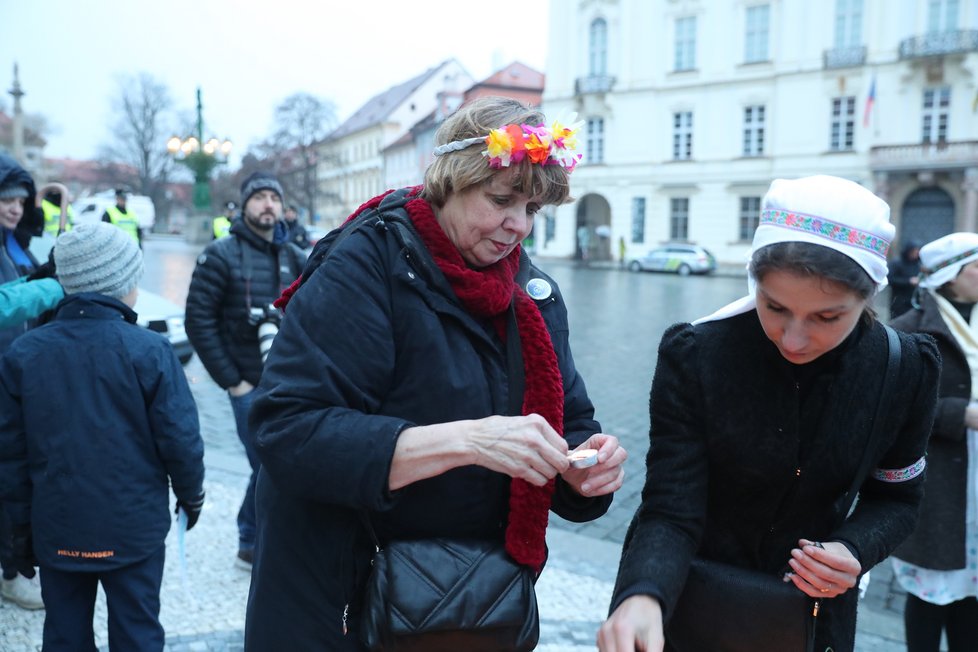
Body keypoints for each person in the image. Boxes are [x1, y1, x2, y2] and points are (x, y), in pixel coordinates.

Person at [244, 97, 627, 650]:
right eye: (501, 200)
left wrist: (581, 472)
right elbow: (287, 430)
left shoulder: (532, 294)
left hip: (467, 603)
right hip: (339, 601)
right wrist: (468, 440)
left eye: (533, 209)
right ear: (452, 182)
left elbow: (568, 422)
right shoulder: (364, 264)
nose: (518, 226)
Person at [598, 175, 940, 652]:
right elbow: (672, 504)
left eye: (827, 317)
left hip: (808, 616)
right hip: (686, 603)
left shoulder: (905, 368)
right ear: (753, 281)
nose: (793, 339)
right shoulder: (697, 354)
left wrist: (854, 549)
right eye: (774, 306)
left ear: (870, 297)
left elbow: (898, 499)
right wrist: (644, 593)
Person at [0, 222, 205, 650]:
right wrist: (192, 495)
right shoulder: (150, 350)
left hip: (57, 527)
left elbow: (11, 457)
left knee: (64, 631)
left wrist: (20, 532)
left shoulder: (24, 353)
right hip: (133, 530)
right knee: (137, 630)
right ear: (122, 283)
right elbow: (180, 438)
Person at [185, 171, 305, 570]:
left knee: (278, 463)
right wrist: (232, 382)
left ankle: (252, 540)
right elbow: (198, 322)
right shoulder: (221, 254)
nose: (268, 204)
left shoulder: (293, 256)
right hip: (248, 385)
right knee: (266, 463)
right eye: (260, 197)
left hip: (289, 383)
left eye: (274, 196)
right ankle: (252, 539)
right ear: (245, 204)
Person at [889, 232, 978, 652]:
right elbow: (893, 408)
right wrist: (959, 414)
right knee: (931, 592)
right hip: (941, 479)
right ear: (949, 276)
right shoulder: (909, 332)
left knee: (973, 597)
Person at [0, 152, 45, 610]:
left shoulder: (17, 244)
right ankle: (11, 572)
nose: (14, 208)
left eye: (20, 200)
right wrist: (50, 286)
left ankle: (13, 567)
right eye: (5, 199)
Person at [888, 241, 921, 319]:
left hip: (913, 301)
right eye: (914, 252)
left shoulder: (918, 264)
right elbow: (890, 279)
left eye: (917, 252)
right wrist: (908, 281)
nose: (915, 254)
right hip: (898, 301)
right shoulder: (897, 263)